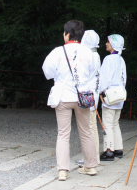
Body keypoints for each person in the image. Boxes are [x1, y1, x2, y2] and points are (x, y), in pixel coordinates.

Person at [42, 19, 99, 181]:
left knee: (63, 133)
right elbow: (91, 74)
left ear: (67, 34)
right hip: (82, 97)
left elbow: (47, 72)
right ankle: (91, 166)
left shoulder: (57, 52)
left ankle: (63, 170)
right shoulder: (89, 53)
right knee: (86, 131)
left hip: (63, 96)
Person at [99, 34, 126, 161]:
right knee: (115, 123)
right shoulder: (121, 59)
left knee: (107, 124)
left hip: (109, 95)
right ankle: (118, 149)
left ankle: (109, 150)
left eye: (108, 42)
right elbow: (123, 78)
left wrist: (100, 91)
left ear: (113, 44)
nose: (106, 43)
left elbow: (104, 79)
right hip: (120, 94)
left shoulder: (108, 59)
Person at [81, 29, 101, 163]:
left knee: (89, 127)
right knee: (91, 126)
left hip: (88, 94)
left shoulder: (88, 56)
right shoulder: (96, 55)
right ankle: (93, 157)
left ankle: (91, 158)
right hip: (94, 93)